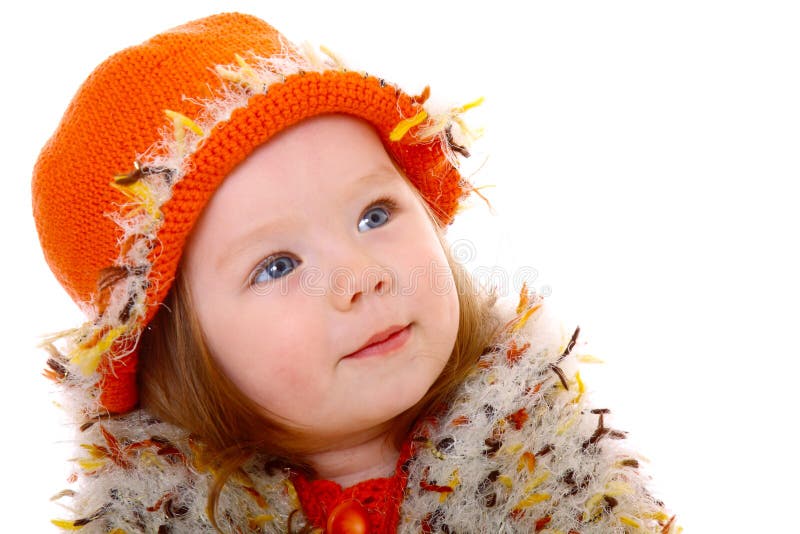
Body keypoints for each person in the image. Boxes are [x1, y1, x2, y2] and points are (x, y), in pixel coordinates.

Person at [32, 12, 678, 533]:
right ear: (171, 351)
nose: (360, 276)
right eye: (277, 265)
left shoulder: (557, 470)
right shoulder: (151, 519)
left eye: (375, 214)